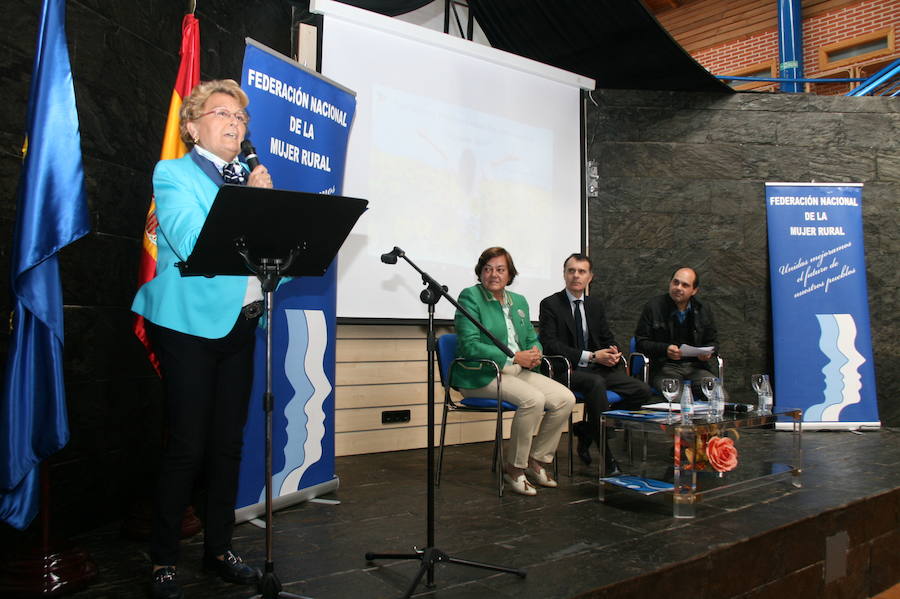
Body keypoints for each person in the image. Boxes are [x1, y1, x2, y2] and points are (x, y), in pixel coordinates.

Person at [132, 79, 273, 599]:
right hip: (187, 323)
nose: (235, 124)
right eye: (222, 114)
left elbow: (273, 260)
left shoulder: (248, 180)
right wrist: (251, 204)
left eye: (241, 118)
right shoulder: (173, 174)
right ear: (192, 127)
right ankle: (163, 559)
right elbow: (192, 242)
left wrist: (270, 218)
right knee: (188, 444)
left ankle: (219, 549)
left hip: (241, 324)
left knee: (228, 445)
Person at [452, 247, 575, 496]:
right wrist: (513, 356)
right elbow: (469, 344)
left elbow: (532, 337)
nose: (493, 275)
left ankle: (536, 460)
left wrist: (535, 353)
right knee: (533, 400)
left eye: (500, 269)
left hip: (517, 370)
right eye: (487, 269)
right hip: (481, 373)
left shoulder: (518, 301)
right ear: (480, 273)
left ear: (509, 274)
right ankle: (514, 469)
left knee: (565, 399)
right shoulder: (470, 297)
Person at [539, 253, 652, 469]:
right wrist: (590, 356)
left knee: (642, 391)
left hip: (598, 368)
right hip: (566, 370)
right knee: (595, 385)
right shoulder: (551, 304)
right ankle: (607, 457)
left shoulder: (595, 305)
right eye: (571, 271)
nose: (576, 276)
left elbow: (606, 336)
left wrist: (613, 352)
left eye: (581, 271)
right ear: (564, 274)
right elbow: (551, 345)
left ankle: (588, 429)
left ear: (590, 277)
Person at [633, 267, 719, 394]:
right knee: (676, 399)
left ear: (694, 290)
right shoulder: (654, 307)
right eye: (675, 282)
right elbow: (641, 343)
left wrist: (707, 353)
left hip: (695, 367)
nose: (678, 288)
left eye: (685, 285)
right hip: (663, 367)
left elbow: (713, 342)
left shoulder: (703, 309)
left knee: (719, 396)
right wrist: (665, 349)